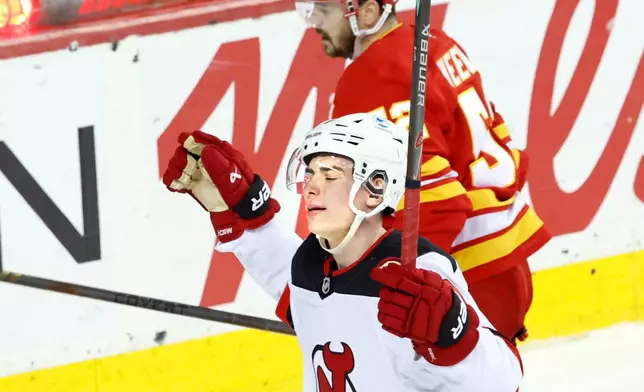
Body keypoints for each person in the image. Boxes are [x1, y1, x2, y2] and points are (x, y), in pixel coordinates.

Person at [162, 113, 522, 391]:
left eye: (331, 176)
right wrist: (248, 218)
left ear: (375, 189)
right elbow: (307, 299)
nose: (312, 187)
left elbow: (504, 380)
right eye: (311, 172)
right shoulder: (311, 263)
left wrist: (454, 338)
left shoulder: (418, 271)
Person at [294, 0, 552, 343]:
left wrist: (379, 289)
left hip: (456, 290)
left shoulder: (374, 76)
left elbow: (436, 206)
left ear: (367, 12)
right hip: (500, 270)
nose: (313, 23)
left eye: (323, 11)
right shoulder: (433, 42)